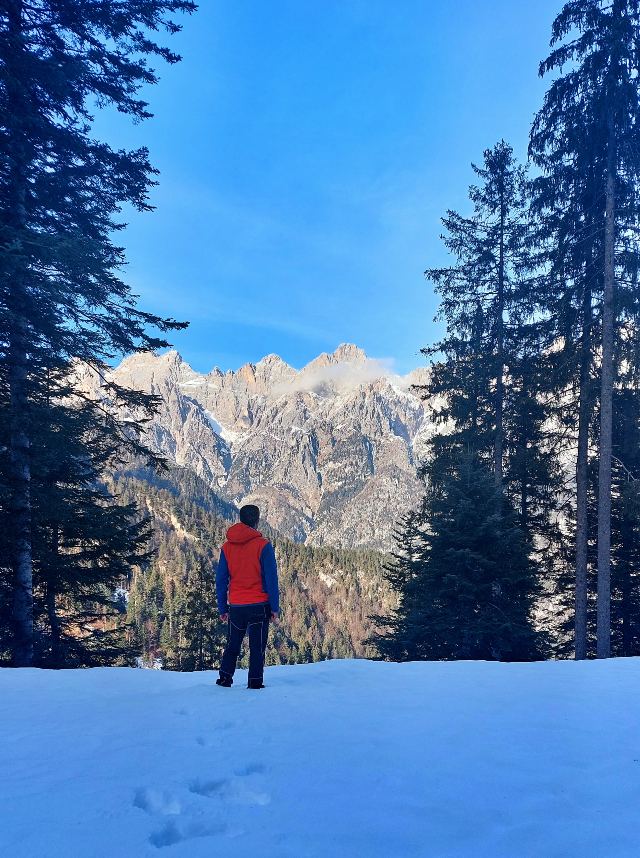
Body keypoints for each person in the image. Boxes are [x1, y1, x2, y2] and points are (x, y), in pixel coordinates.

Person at [215, 504, 279, 689]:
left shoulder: (227, 547)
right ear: (257, 521)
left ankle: (225, 679)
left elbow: (221, 580)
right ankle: (255, 684)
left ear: (241, 519)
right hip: (260, 605)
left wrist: (222, 608)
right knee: (257, 649)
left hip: (236, 605)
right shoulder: (263, 546)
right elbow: (271, 579)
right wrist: (274, 607)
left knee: (232, 645)